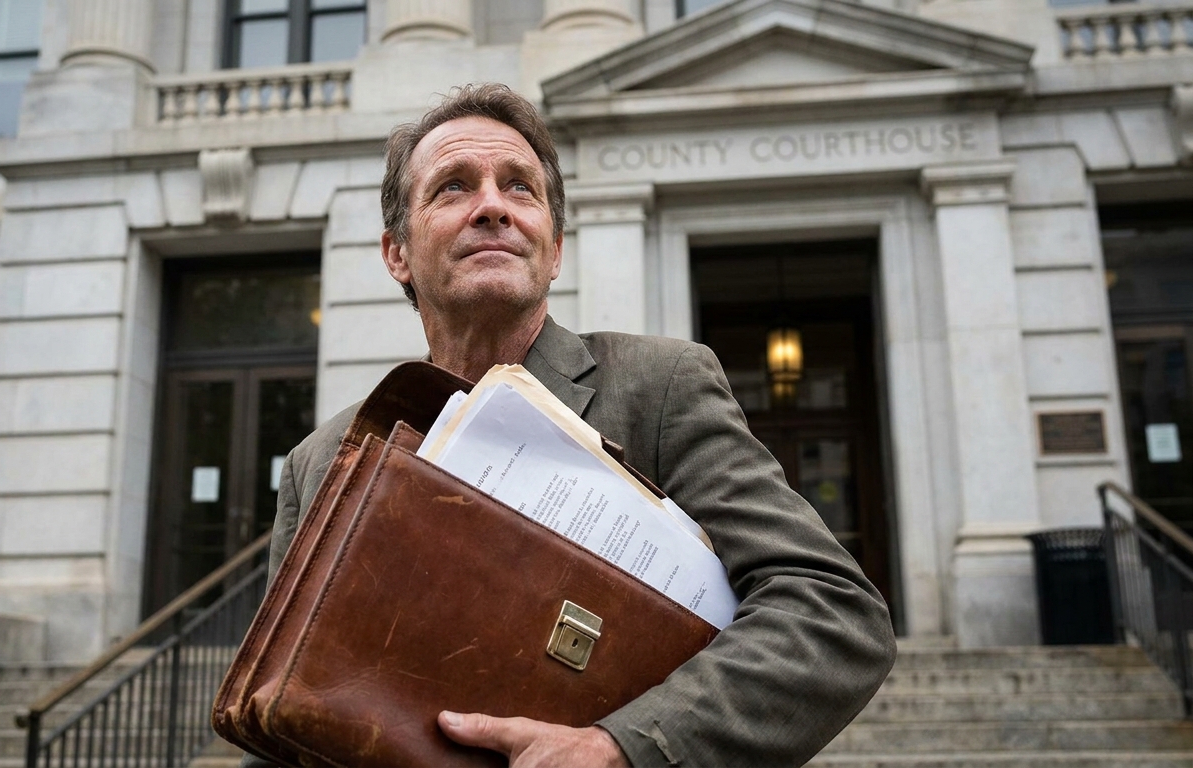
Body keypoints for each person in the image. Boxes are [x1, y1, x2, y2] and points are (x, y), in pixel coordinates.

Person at [245, 83, 896, 768]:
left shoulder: (660, 386)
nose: (492, 206)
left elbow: (834, 613)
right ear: (397, 253)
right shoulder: (325, 460)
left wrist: (619, 749)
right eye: (453, 188)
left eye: (520, 188)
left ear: (554, 249)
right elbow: (276, 710)